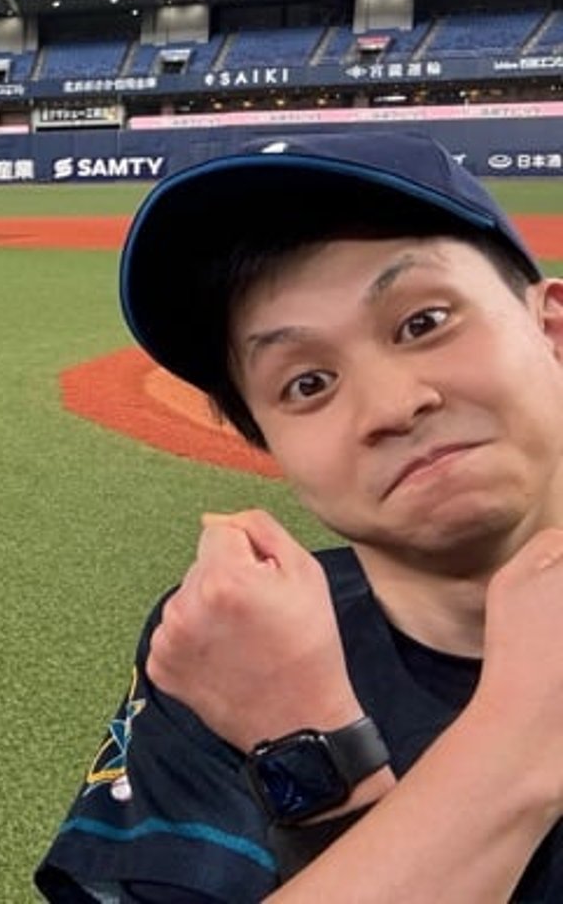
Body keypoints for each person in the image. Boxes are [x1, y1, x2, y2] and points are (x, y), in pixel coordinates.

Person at [35, 130, 563, 902]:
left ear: (551, 331)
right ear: (268, 441)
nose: (391, 406)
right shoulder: (239, 644)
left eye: (424, 323)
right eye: (308, 383)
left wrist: (315, 770)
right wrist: (517, 741)